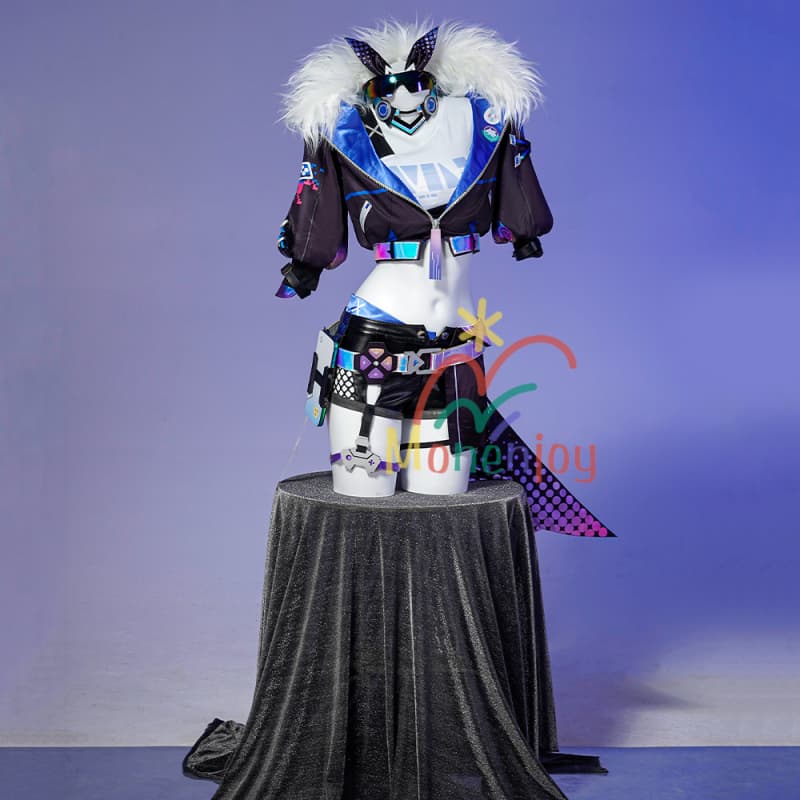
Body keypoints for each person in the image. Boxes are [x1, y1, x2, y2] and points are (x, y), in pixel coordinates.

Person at [275, 21, 614, 538]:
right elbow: (315, 216)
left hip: (456, 352)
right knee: (364, 516)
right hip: (373, 350)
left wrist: (525, 232)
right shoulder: (341, 129)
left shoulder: (487, 118)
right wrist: (304, 266)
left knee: (444, 521)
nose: (404, 94)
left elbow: (519, 195)